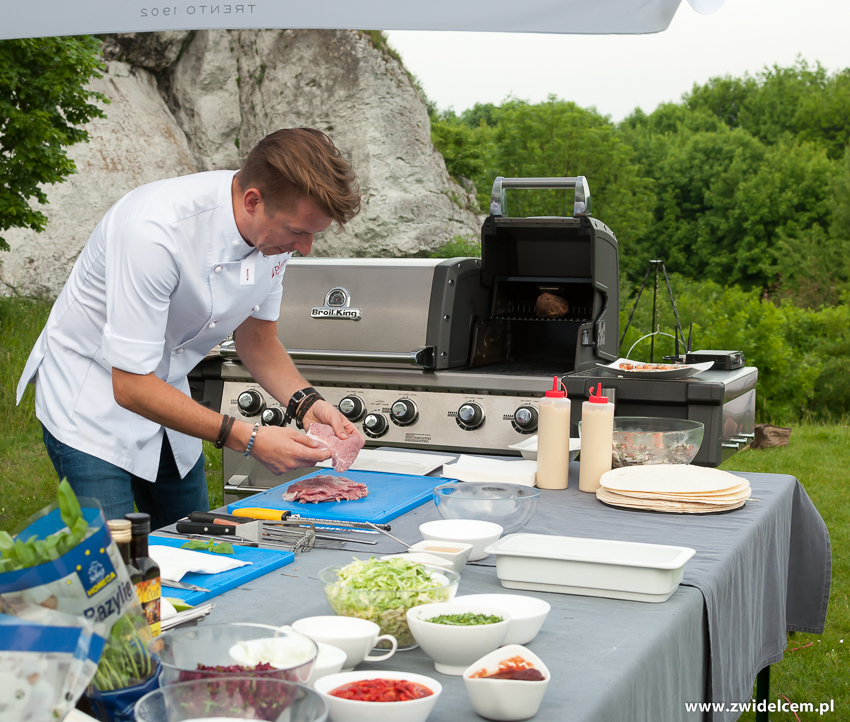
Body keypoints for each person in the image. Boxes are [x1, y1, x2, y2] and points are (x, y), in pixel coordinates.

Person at [16, 128, 363, 528]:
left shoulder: (271, 236)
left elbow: (259, 340)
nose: (305, 248)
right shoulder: (154, 232)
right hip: (92, 399)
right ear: (253, 200)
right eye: (299, 232)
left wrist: (308, 405)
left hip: (168, 391)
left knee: (195, 543)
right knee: (117, 569)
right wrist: (249, 439)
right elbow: (129, 385)